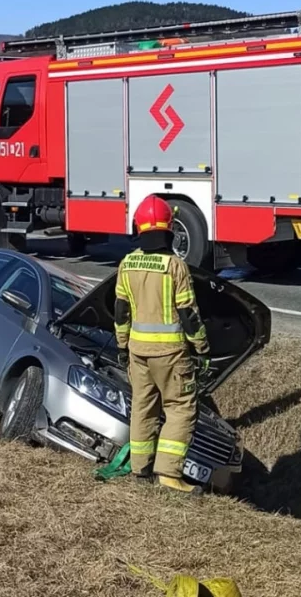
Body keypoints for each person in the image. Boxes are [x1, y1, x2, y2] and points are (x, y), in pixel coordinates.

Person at [113, 195, 212, 494]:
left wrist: (121, 345)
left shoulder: (127, 263)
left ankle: (140, 467)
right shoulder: (175, 266)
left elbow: (120, 311)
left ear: (139, 228)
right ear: (169, 228)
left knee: (143, 407)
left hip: (137, 352)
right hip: (170, 354)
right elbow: (188, 314)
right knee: (180, 408)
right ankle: (169, 474)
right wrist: (202, 348)